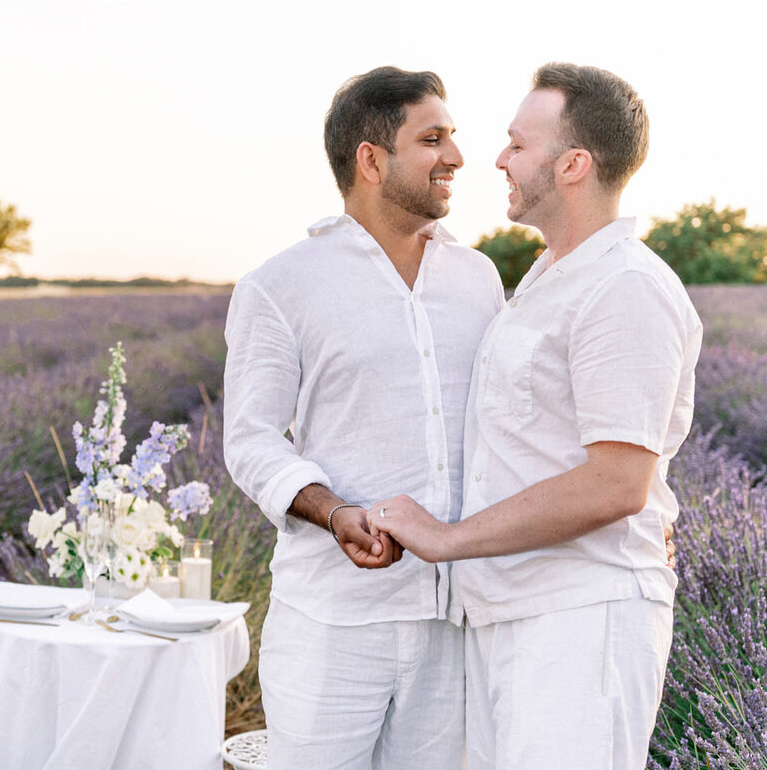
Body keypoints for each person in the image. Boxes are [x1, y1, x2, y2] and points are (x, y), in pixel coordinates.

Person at [370, 63, 703, 770]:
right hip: (511, 616)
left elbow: (616, 484)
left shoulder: (625, 288)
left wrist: (447, 538)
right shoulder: (550, 276)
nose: (497, 159)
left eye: (519, 144)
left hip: (579, 622)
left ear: (574, 164)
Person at [223, 67, 503, 768]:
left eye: (453, 137)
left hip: (454, 617)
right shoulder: (281, 285)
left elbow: (513, 422)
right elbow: (250, 439)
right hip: (332, 621)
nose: (457, 157)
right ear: (371, 159)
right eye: (432, 139)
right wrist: (332, 509)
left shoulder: (479, 278)